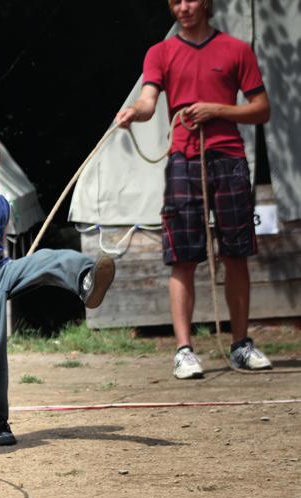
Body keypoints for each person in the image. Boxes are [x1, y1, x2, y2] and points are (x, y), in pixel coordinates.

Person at [115, 0, 272, 379]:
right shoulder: (160, 52)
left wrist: (216, 111)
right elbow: (149, 101)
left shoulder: (237, 50)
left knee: (236, 253)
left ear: (206, 2)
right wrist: (135, 112)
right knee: (182, 256)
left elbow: (261, 109)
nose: (182, 7)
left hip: (230, 159)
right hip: (184, 160)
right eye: (174, 1)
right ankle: (184, 351)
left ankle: (240, 345)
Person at [0, 129, 116, 446]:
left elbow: (0, 245)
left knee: (45, 258)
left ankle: (87, 280)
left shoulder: (1, 204)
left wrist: (10, 269)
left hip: (1, 271)